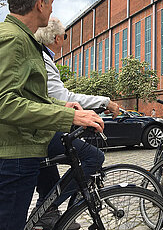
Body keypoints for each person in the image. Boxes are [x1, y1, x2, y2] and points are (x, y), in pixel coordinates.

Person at [0, 0, 104, 230]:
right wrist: (70, 115)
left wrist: (60, 104)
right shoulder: (14, 40)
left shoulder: (24, 40)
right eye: (52, 3)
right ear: (40, 3)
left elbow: (27, 95)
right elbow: (5, 103)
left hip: (22, 149)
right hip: (15, 153)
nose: (51, 10)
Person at [33, 17, 120, 229]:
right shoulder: (43, 59)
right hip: (40, 128)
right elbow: (61, 97)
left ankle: (47, 213)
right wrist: (104, 101)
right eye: (64, 36)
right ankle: (46, 211)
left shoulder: (43, 57)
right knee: (94, 157)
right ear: (55, 38)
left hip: (39, 127)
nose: (64, 40)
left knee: (49, 176)